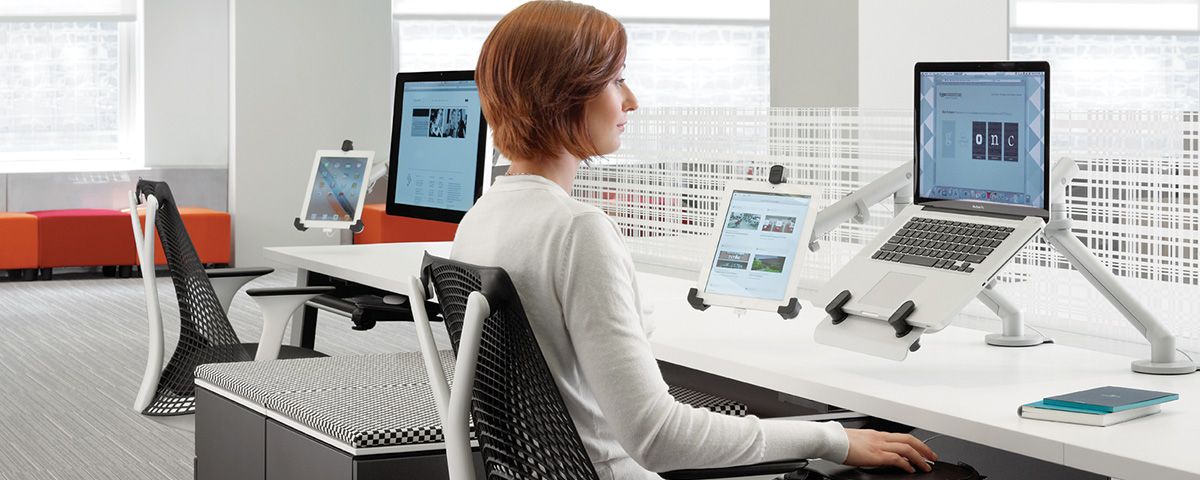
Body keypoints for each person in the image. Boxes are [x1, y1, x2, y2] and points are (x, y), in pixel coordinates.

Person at [451, 2, 937, 479]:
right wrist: (830, 439)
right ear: (563, 93)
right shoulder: (576, 230)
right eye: (615, 80)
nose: (631, 100)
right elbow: (658, 437)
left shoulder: (479, 220)